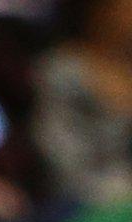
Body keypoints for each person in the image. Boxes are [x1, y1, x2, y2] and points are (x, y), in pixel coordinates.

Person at [35, 0, 132, 207]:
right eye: (126, 9)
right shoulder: (62, 71)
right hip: (85, 204)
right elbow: (63, 159)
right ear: (99, 12)